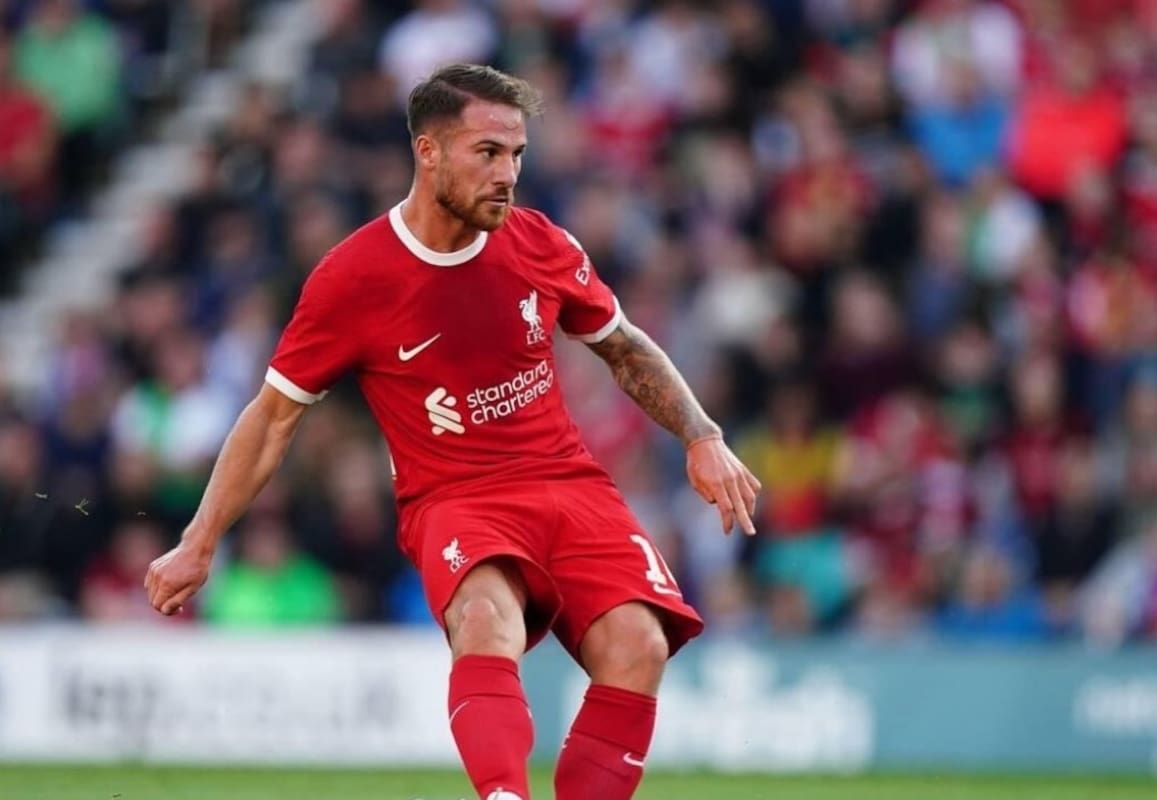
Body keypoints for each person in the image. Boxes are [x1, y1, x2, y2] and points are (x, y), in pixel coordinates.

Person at [143, 63, 760, 800]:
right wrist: (200, 539)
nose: (508, 174)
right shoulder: (354, 278)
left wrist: (702, 434)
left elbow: (625, 347)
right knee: (484, 617)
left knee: (640, 645)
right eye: (488, 153)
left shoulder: (542, 246)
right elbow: (273, 418)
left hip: (567, 483)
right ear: (428, 152)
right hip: (456, 496)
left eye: (518, 155)